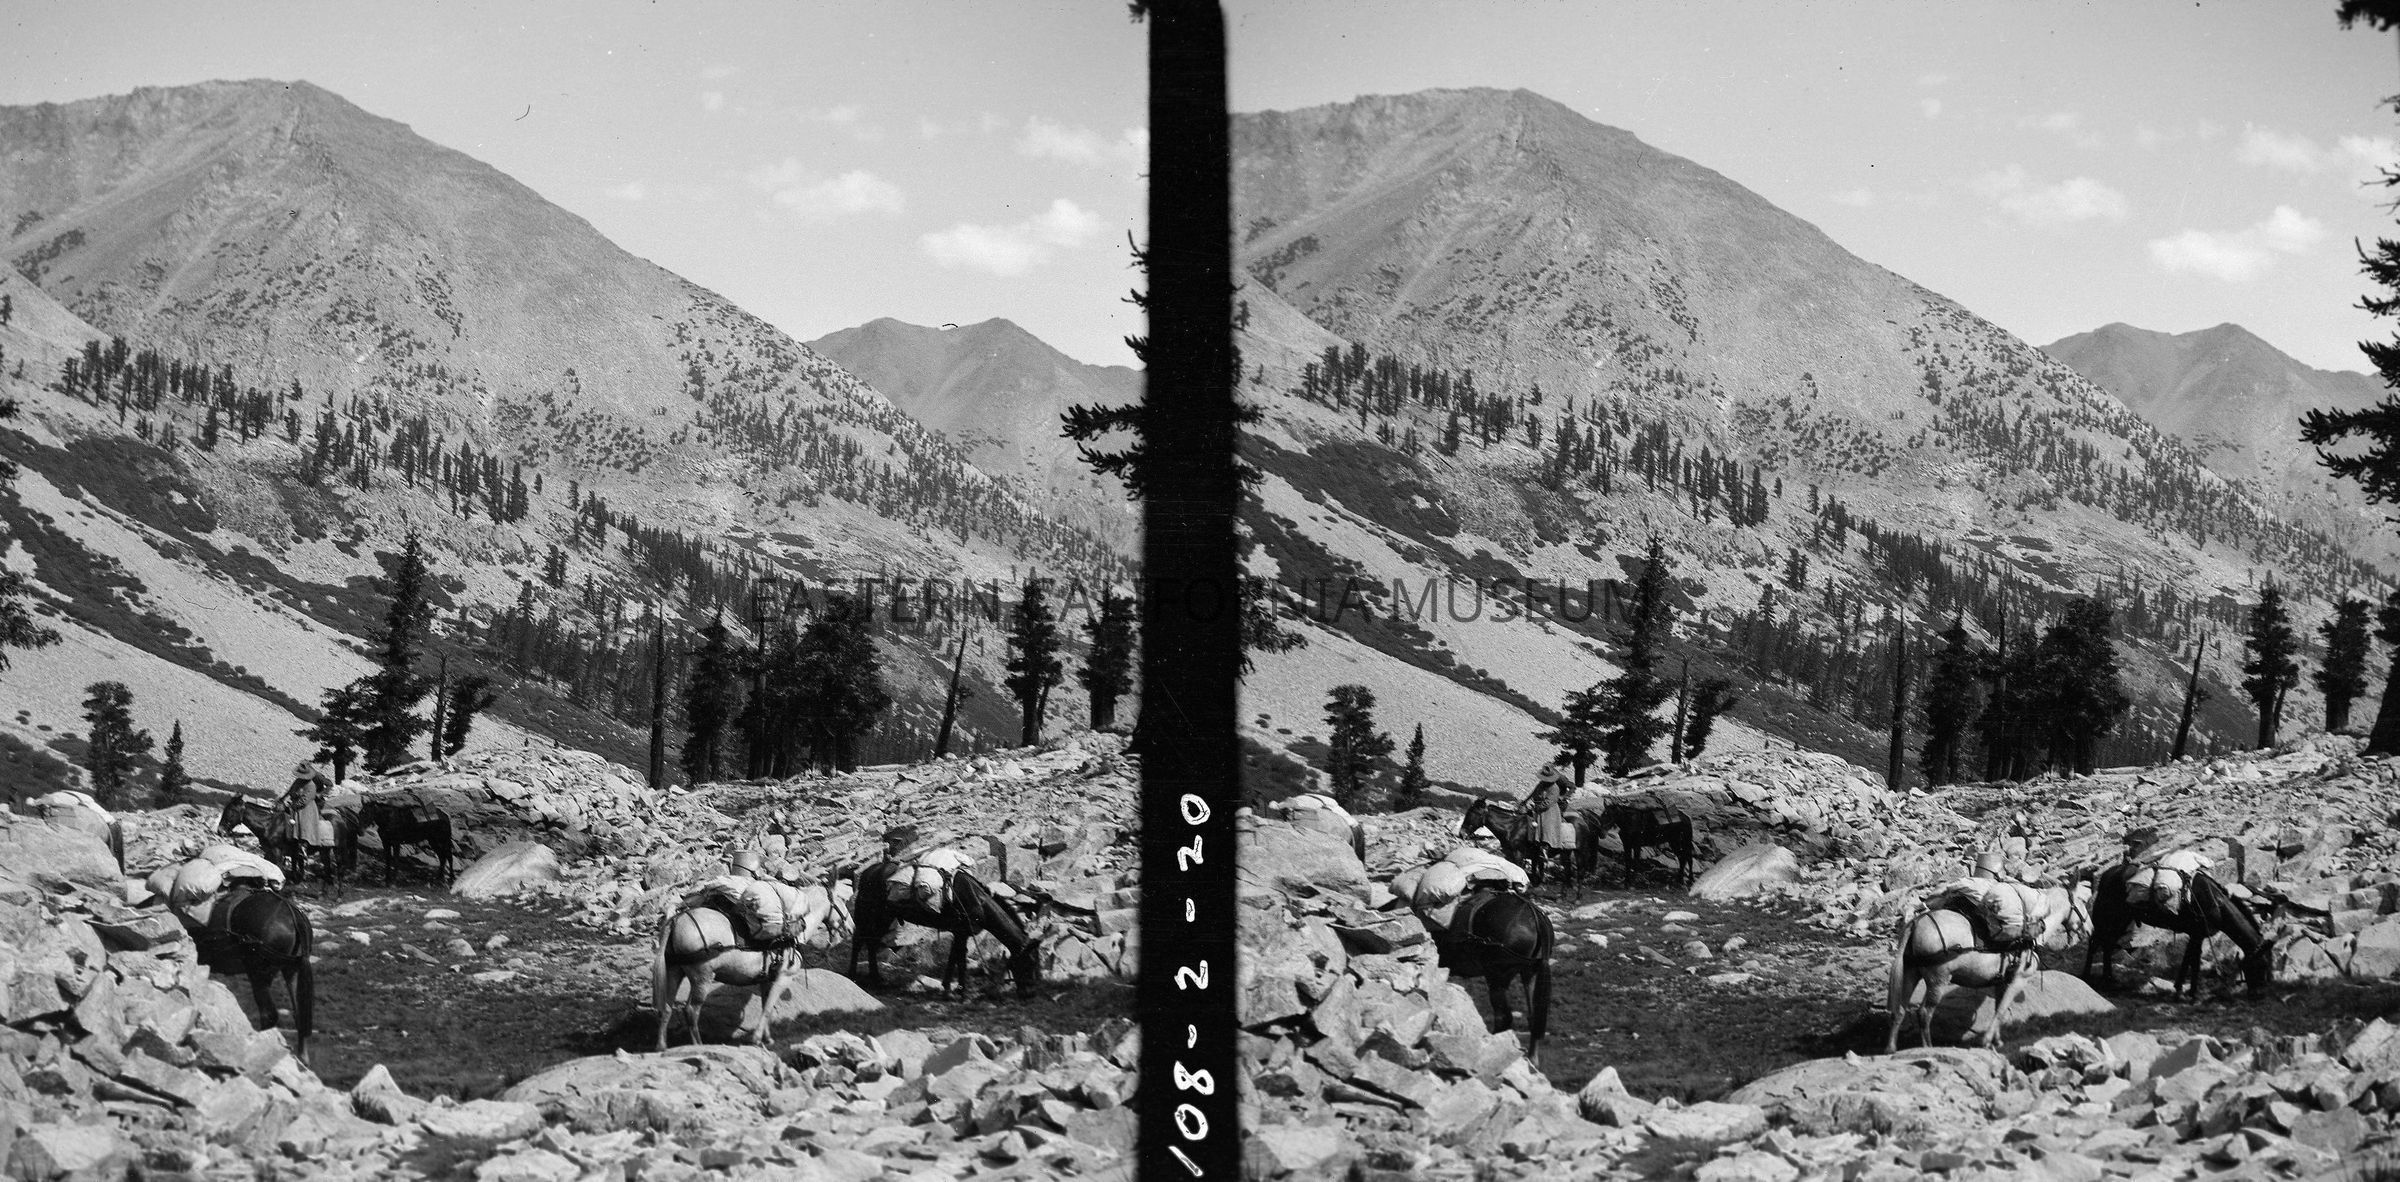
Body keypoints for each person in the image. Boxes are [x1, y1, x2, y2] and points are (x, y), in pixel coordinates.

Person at [282, 760, 336, 850]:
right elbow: (290, 789)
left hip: (311, 802)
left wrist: (319, 794)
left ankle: (305, 841)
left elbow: (329, 785)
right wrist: (282, 798)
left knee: (306, 820)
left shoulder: (316, 778)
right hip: (297, 802)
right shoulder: (298, 781)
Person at [1522, 762, 1572, 853]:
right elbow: (1534, 792)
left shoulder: (1554, 788)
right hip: (1538, 806)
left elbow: (1548, 802)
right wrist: (1525, 801)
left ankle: (1547, 845)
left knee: (1547, 825)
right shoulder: (1541, 784)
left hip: (1550, 810)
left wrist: (1538, 807)